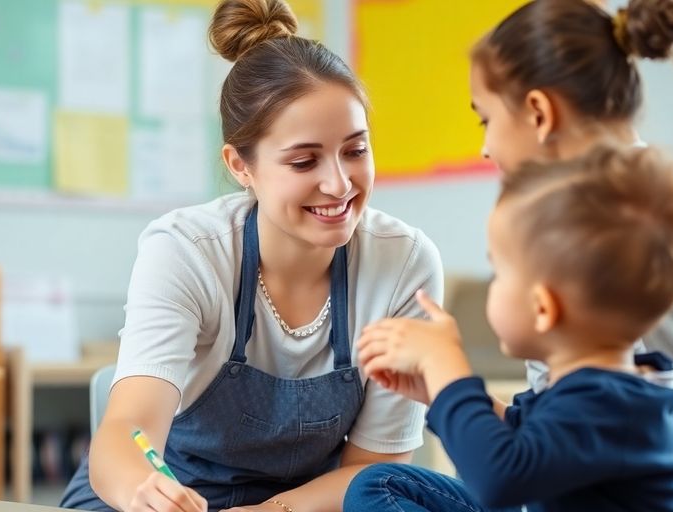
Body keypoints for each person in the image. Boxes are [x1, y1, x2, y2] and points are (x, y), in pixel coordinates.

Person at [58, 0, 443, 510]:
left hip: (306, 505)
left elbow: (376, 469)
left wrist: (269, 511)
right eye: (304, 160)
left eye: (355, 150)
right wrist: (145, 494)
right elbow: (126, 432)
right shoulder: (186, 252)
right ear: (241, 165)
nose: (340, 183)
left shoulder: (405, 265)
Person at [459, 0, 673, 508]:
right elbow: (557, 426)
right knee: (390, 488)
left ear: (539, 113)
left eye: (485, 120)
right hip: (624, 488)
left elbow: (523, 469)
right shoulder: (632, 198)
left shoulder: (613, 217)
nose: (485, 148)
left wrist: (450, 377)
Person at [346, 145, 673, 511]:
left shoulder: (611, 406)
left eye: (499, 274)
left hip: (511, 488)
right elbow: (528, 443)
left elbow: (501, 480)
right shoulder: (600, 390)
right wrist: (438, 394)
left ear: (543, 308)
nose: (492, 287)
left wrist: (447, 368)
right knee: (378, 484)